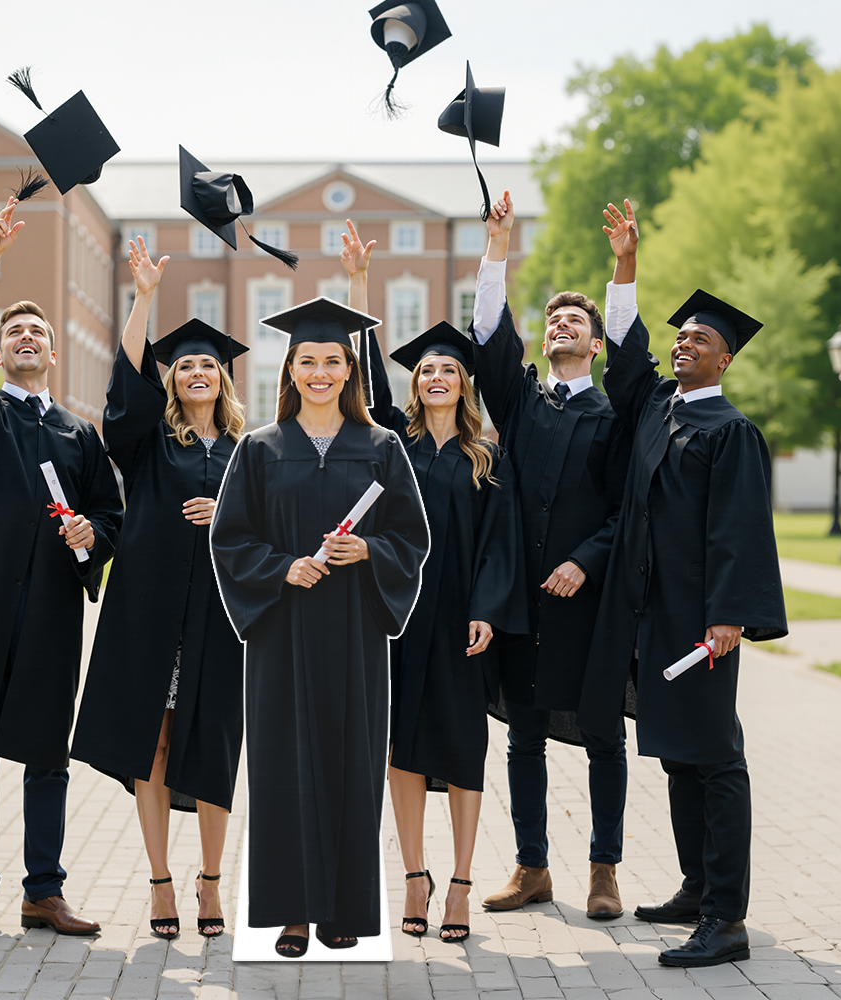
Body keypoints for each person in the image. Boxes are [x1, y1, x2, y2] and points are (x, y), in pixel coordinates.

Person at [578, 201, 787, 967]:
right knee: (676, 753)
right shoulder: (658, 413)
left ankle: (726, 919)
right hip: (651, 617)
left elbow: (738, 531)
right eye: (680, 335)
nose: (682, 343)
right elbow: (626, 358)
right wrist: (625, 268)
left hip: (702, 624)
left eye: (698, 338)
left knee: (714, 758)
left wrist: (729, 617)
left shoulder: (729, 432)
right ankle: (697, 887)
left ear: (725, 359)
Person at [210, 297, 429, 958]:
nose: (320, 371)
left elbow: (412, 539)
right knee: (282, 766)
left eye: (333, 360)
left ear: (350, 370)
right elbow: (229, 539)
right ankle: (292, 914)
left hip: (355, 634)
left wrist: (370, 552)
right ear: (292, 368)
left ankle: (344, 912)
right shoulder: (259, 448)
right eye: (308, 360)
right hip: (282, 635)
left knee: (351, 762)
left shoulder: (383, 448)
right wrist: (282, 569)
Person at [0, 196, 122, 945]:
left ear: (53, 351)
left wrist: (90, 535)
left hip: (47, 611)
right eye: (14, 332)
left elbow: (111, 518)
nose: (28, 338)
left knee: (46, 757)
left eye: (37, 332)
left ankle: (44, 891)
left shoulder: (78, 434)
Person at [340, 221, 526, 942]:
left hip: (459, 621)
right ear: (416, 383)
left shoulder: (487, 455)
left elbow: (499, 545)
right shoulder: (394, 442)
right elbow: (361, 378)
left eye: (448, 370)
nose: (436, 377)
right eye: (426, 371)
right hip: (398, 613)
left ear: (463, 382)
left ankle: (462, 881)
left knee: (461, 745)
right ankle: (414, 876)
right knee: (402, 747)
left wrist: (487, 609)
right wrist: (360, 286)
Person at [71, 237, 246, 940]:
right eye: (186, 366)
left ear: (224, 380)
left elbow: (276, 530)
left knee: (214, 749)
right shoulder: (148, 444)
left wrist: (230, 514)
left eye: (209, 364)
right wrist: (143, 297)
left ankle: (210, 883)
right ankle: (159, 881)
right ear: (170, 382)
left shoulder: (247, 452)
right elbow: (123, 393)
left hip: (220, 622)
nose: (198, 371)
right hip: (151, 621)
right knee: (157, 746)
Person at [471, 190, 632, 918]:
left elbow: (629, 510)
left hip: (587, 603)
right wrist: (497, 248)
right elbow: (488, 338)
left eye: (577, 320)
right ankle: (532, 866)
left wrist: (588, 559)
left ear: (596, 345)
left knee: (602, 737)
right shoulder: (524, 403)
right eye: (552, 320)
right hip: (524, 603)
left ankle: (604, 870)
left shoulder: (617, 416)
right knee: (524, 739)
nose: (560, 324)